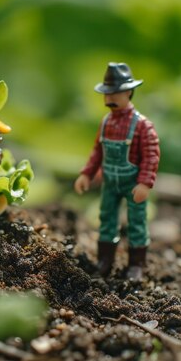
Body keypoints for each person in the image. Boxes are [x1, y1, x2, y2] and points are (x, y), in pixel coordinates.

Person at [74, 62, 160, 280]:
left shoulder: (143, 126)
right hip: (110, 183)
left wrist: (145, 183)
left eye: (115, 93)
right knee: (107, 219)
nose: (109, 99)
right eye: (107, 94)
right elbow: (97, 151)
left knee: (137, 223)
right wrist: (87, 173)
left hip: (133, 184)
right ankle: (105, 261)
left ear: (129, 92)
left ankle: (136, 266)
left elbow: (151, 156)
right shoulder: (106, 123)